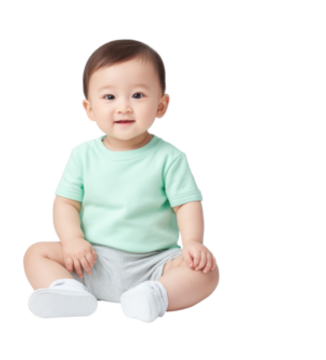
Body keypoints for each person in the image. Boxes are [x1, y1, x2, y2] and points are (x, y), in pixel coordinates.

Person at [21, 38, 219, 324]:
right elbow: (65, 203)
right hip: (90, 259)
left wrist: (192, 243)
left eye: (137, 95)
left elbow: (187, 204)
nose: (124, 107)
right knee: (35, 252)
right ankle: (69, 291)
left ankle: (154, 295)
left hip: (156, 263)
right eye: (109, 97)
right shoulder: (81, 155)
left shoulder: (170, 157)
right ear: (88, 109)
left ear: (162, 105)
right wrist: (73, 240)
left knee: (207, 270)